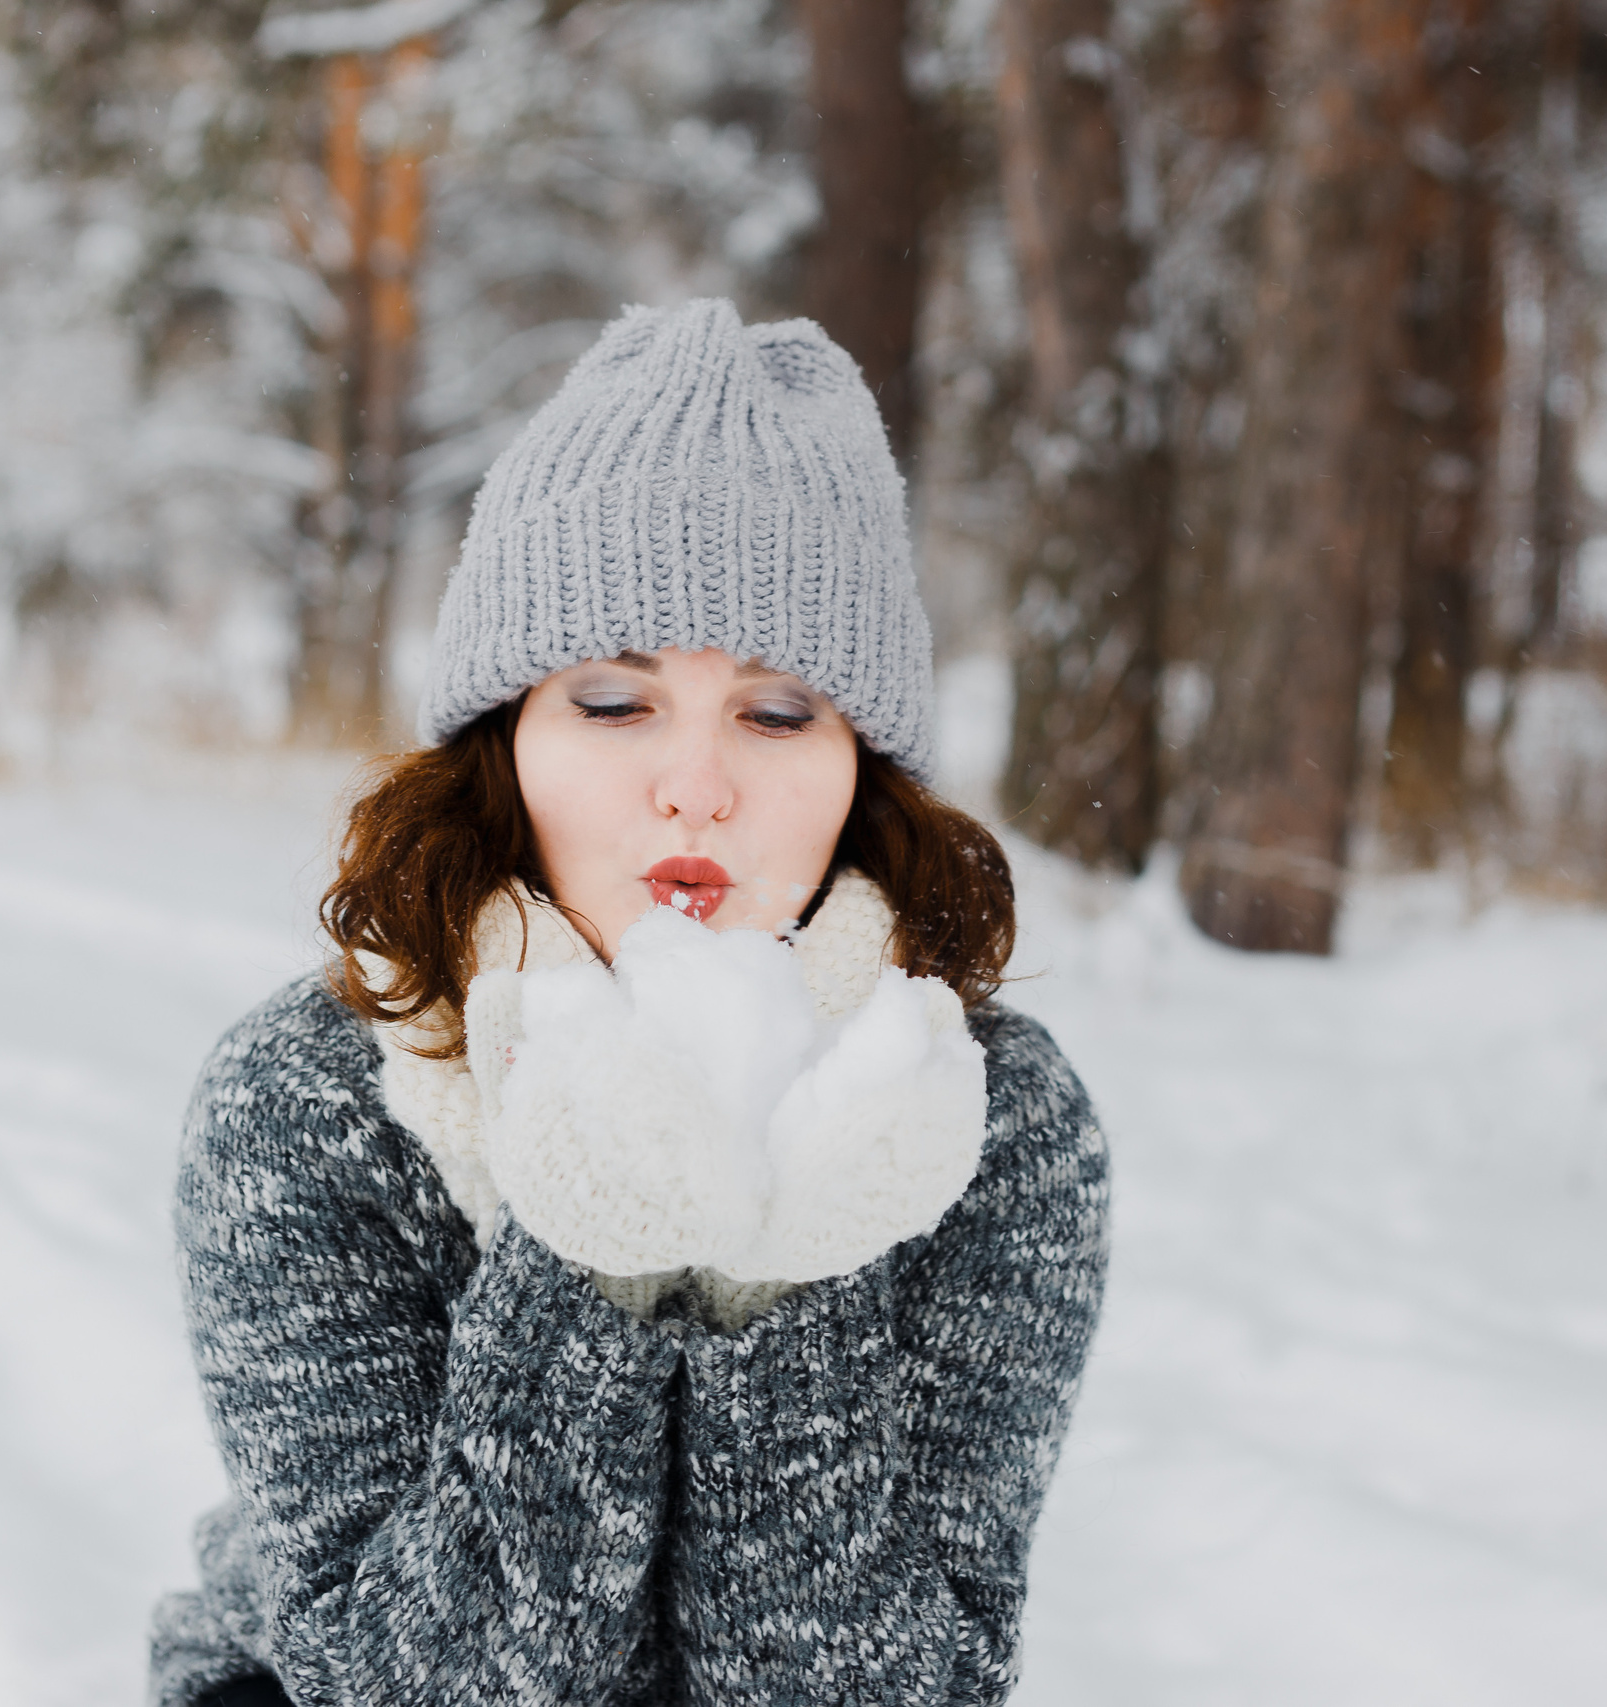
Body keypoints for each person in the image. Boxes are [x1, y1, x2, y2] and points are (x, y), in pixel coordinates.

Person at [148, 298, 1109, 1707]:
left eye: (779, 713)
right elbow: (420, 1688)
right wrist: (591, 1244)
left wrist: (786, 1262)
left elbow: (886, 1689)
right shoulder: (310, 1101)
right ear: (505, 739)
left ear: (865, 765)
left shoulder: (985, 1118)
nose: (699, 787)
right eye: (614, 702)